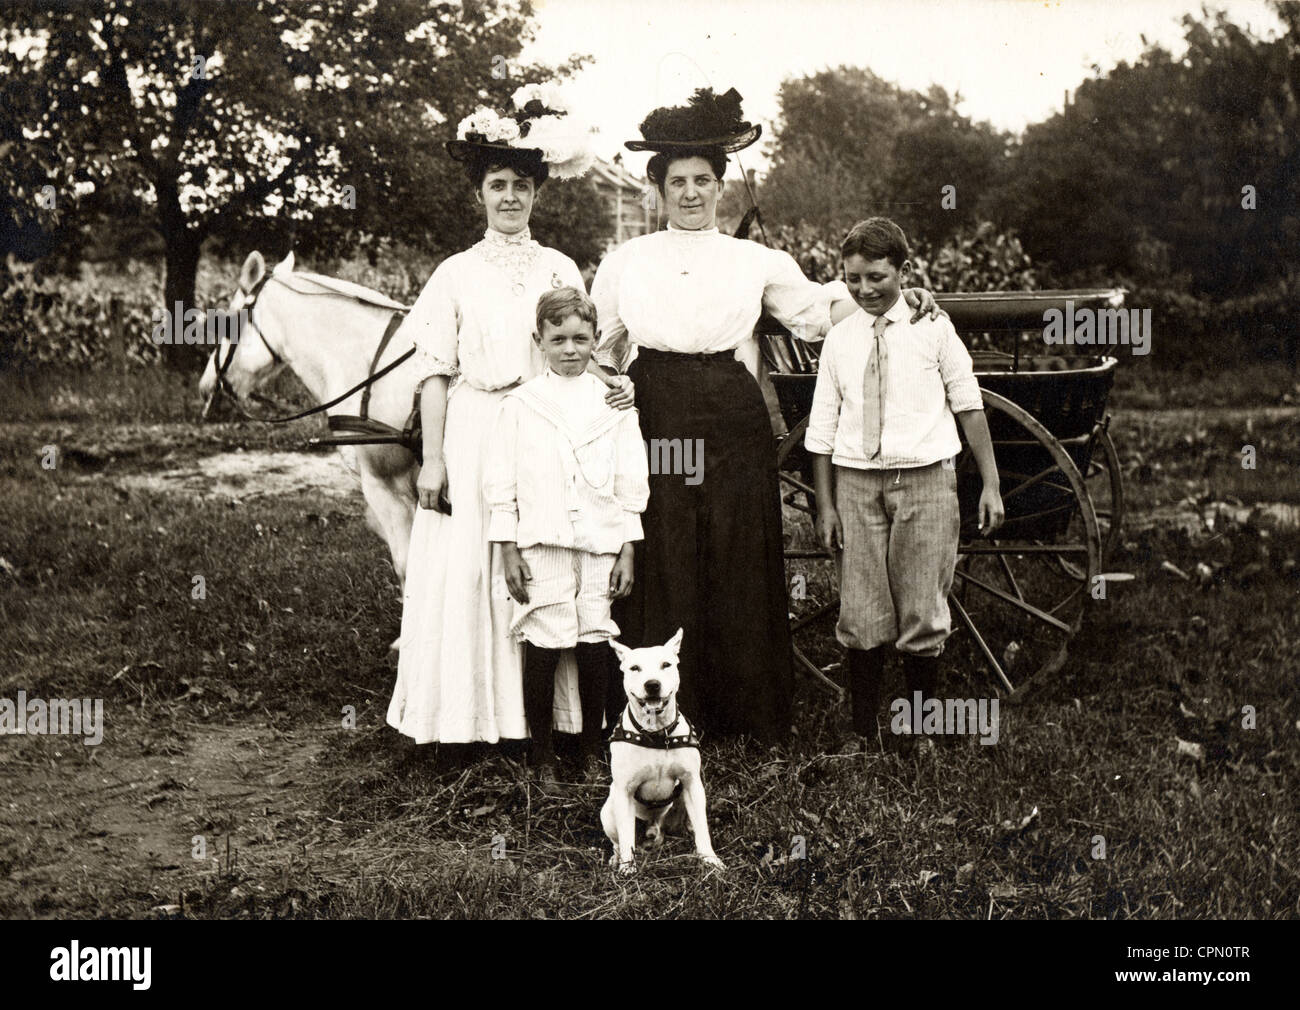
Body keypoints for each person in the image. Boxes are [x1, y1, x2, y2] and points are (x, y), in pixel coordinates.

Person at [592, 88, 941, 745]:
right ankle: (663, 715)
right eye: (677, 182)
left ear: (721, 187)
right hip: (657, 412)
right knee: (667, 540)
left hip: (729, 412)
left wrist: (895, 299)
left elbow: (818, 313)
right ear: (658, 190)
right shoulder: (625, 263)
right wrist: (605, 392)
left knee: (735, 548)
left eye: (703, 181)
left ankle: (745, 717)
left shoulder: (755, 261)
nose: (691, 193)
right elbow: (597, 346)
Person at [387, 86, 635, 747]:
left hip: (543, 430)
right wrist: (434, 460)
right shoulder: (455, 274)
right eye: (498, 185)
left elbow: (578, 350)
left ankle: (549, 727)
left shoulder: (557, 268)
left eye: (522, 185)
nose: (510, 198)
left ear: (537, 193)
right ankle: (464, 722)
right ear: (480, 194)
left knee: (545, 560)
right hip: (473, 427)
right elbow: (435, 373)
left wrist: (616, 392)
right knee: (472, 566)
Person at [805, 217, 1005, 753]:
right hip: (855, 484)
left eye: (877, 277)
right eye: (852, 279)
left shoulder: (933, 328)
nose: (865, 290)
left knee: (921, 607)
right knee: (862, 609)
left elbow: (968, 404)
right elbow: (821, 429)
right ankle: (861, 730)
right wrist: (825, 505)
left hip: (925, 482)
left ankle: (918, 731)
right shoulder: (840, 340)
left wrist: (990, 483)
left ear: (905, 272)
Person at [484, 287, 649, 783]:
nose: (570, 349)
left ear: (597, 339)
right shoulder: (521, 405)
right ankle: (542, 756)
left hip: (600, 545)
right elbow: (502, 483)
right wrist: (508, 548)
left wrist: (628, 548)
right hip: (542, 545)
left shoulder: (614, 405)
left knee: (594, 642)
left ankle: (595, 751)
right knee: (545, 643)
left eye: (581, 338)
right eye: (558, 339)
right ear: (540, 341)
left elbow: (630, 480)